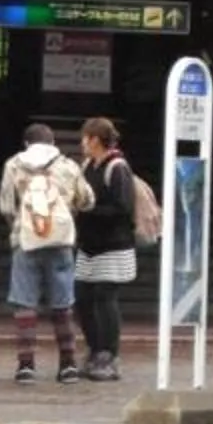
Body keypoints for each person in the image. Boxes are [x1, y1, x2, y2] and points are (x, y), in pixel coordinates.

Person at [0, 123, 94, 383]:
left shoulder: (14, 165)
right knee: (62, 305)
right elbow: (87, 200)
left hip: (26, 243)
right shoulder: (68, 166)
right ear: (53, 143)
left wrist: (19, 228)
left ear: (27, 143)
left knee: (25, 305)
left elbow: (6, 206)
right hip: (60, 242)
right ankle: (68, 365)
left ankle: (26, 366)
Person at [71, 117, 140, 384]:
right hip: (88, 245)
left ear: (96, 140)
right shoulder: (88, 165)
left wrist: (89, 211)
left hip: (113, 245)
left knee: (105, 297)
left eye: (85, 138)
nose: (82, 144)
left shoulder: (117, 167)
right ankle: (94, 349)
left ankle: (108, 355)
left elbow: (123, 207)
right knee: (83, 298)